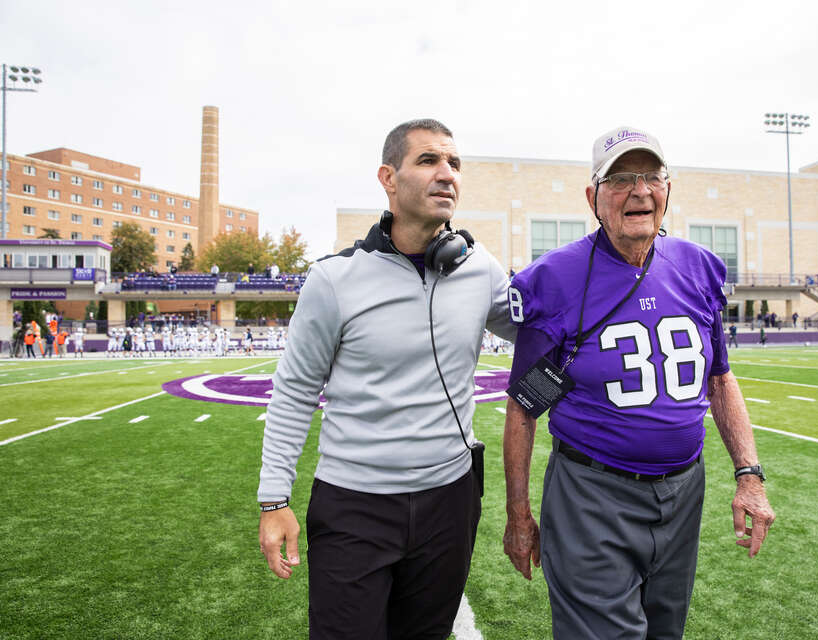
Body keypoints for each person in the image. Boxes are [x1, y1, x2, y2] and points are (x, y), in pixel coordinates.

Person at [502, 126, 775, 640]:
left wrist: (749, 475)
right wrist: (519, 513)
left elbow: (719, 379)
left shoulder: (698, 268)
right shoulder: (554, 279)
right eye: (621, 178)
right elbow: (523, 407)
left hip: (682, 491)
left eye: (652, 176)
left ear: (668, 190)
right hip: (591, 494)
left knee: (663, 632)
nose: (640, 190)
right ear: (593, 196)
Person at [258, 118, 516, 640]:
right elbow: (293, 393)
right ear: (388, 178)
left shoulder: (481, 269)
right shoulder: (334, 280)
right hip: (355, 505)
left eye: (454, 163)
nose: (447, 174)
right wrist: (274, 500)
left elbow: (541, 330)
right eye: (428, 161)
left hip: (451, 499)